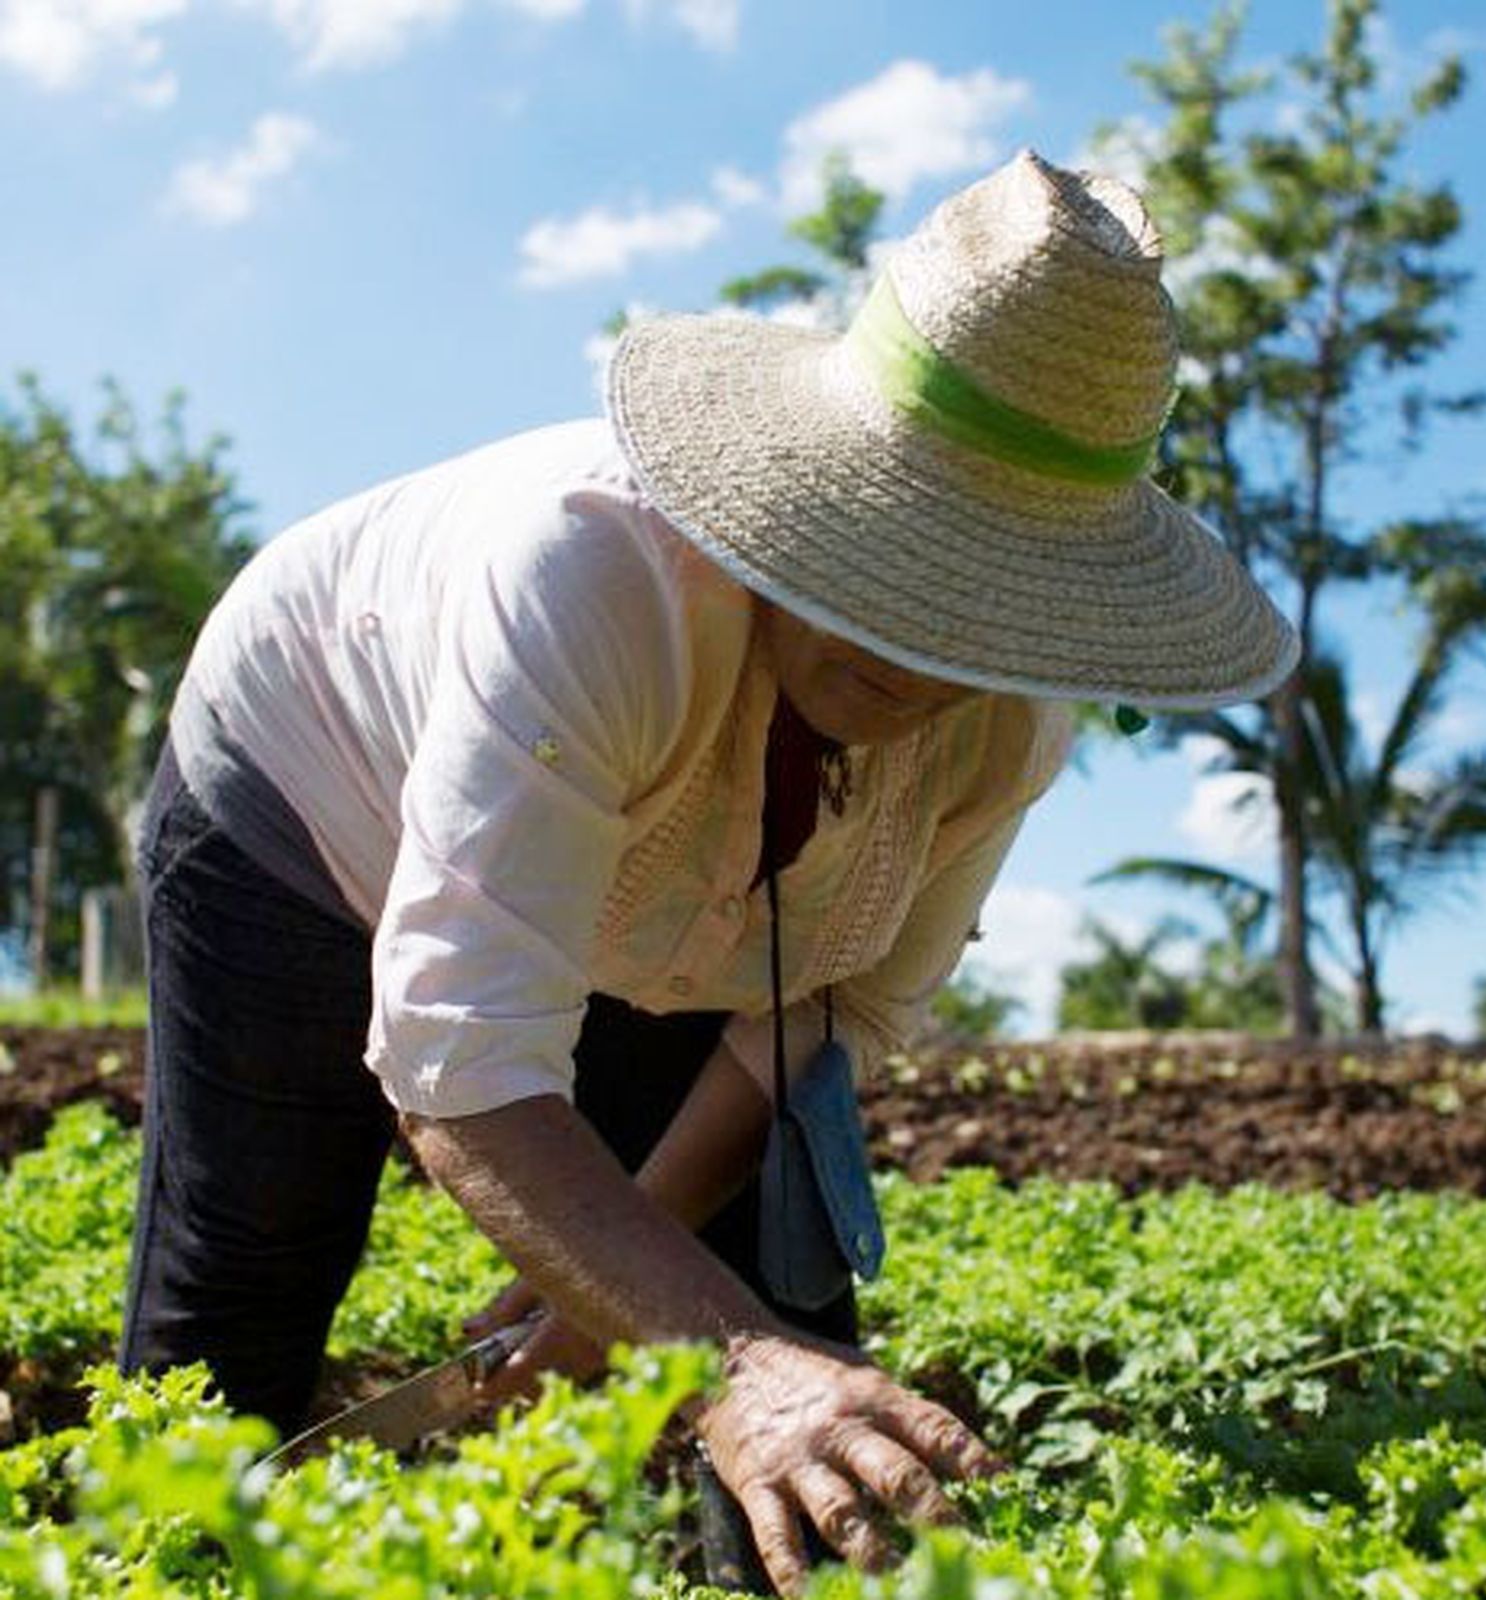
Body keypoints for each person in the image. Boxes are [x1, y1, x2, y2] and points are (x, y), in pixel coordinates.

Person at [119, 148, 1297, 1596]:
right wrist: (726, 1360)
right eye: (892, 555)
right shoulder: (594, 579)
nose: (920, 649)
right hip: (302, 801)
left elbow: (826, 1016)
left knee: (789, 1351)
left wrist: (635, 1308)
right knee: (253, 1263)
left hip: (663, 902)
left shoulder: (1009, 731)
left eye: (977, 604)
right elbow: (461, 1059)